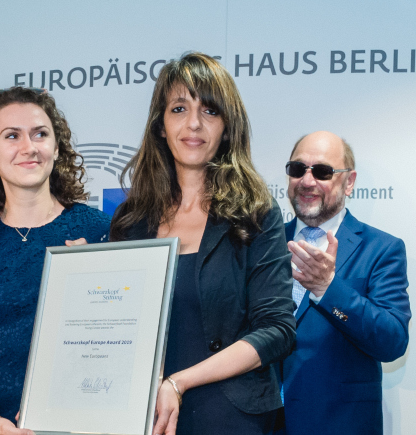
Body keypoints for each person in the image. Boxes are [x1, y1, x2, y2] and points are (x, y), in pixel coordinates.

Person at [106, 51, 295, 435]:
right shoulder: (130, 220)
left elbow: (277, 330)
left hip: (233, 417)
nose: (193, 123)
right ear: (160, 125)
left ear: (227, 128)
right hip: (147, 418)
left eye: (209, 111)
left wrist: (179, 383)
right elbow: (117, 328)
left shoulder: (255, 212)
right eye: (179, 109)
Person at [0, 87, 109, 435]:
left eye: (40, 134)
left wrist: (90, 280)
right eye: (11, 136)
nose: (29, 147)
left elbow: (113, 342)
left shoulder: (98, 231)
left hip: (75, 422)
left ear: (57, 147)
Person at [277, 131, 411, 435]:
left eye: (322, 171)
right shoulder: (263, 242)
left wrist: (328, 289)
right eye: (298, 169)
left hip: (338, 424)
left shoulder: (382, 249)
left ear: (349, 182)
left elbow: (392, 342)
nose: (307, 181)